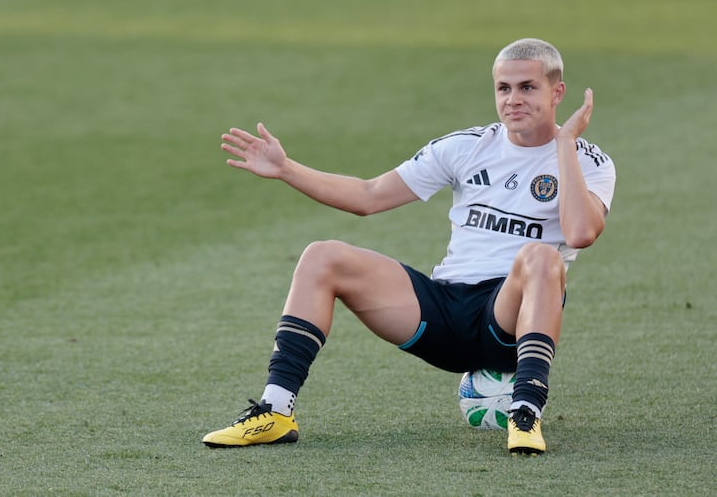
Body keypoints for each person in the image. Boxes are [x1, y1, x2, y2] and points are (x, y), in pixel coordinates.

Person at [202, 38, 616, 454]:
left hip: (510, 318)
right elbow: (368, 196)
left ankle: (524, 413)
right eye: (503, 88)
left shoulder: (590, 162)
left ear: (557, 92)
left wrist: (564, 144)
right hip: (446, 311)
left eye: (527, 87)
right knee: (321, 256)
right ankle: (275, 411)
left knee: (541, 257)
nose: (513, 99)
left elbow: (581, 233)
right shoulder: (466, 146)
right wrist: (286, 168)